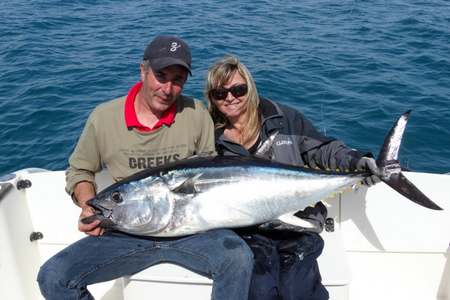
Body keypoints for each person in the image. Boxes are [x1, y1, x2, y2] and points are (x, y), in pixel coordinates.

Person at [37, 36, 253, 300]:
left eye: (178, 80)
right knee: (53, 276)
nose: (168, 88)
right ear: (143, 70)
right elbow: (80, 170)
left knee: (239, 257)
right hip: (125, 232)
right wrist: (87, 205)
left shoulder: (196, 114)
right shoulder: (104, 118)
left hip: (191, 231)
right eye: (161, 76)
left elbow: (207, 173)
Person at [205, 55, 381, 300]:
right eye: (220, 93)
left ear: (250, 88)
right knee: (259, 289)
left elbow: (323, 150)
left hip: (298, 222)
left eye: (238, 89)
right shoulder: (209, 135)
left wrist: (357, 162)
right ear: (211, 98)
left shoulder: (283, 118)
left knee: (296, 288)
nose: (231, 97)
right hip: (247, 230)